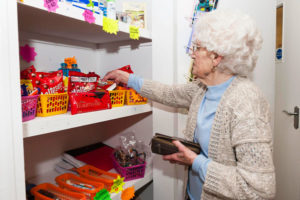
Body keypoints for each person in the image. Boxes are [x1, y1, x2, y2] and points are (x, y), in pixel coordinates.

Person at [102, 9, 276, 200]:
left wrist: (196, 162)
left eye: (198, 48)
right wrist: (127, 78)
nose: (192, 54)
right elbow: (168, 93)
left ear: (216, 57)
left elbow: (259, 190)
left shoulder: (247, 101)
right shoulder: (202, 89)